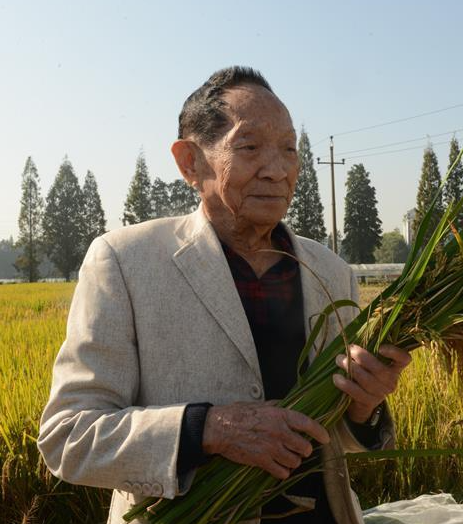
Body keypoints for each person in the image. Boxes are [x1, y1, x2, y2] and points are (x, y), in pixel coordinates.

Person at [37, 66, 411, 524]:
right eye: (250, 147)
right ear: (190, 162)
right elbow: (69, 436)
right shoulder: (126, 262)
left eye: (289, 150)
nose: (277, 170)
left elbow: (341, 435)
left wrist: (363, 406)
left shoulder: (330, 272)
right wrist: (208, 429)